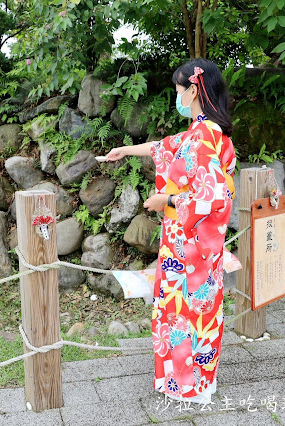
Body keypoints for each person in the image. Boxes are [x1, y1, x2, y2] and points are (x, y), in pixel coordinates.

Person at [105, 58, 236, 404]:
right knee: (191, 314)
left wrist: (166, 198)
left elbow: (213, 196)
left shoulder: (206, 134)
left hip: (191, 248)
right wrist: (126, 151)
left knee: (188, 314)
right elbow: (165, 146)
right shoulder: (204, 131)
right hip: (190, 245)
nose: (176, 96)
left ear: (193, 90)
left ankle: (190, 386)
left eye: (178, 90)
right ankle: (187, 382)